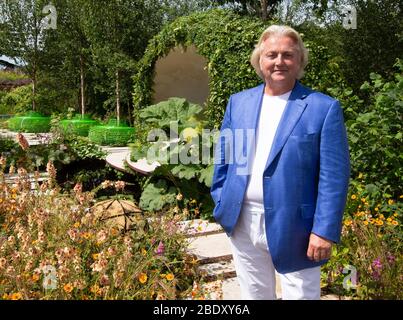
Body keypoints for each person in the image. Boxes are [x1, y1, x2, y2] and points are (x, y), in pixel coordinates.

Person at [210, 25, 350, 300]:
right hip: (242, 221)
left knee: (301, 296)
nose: (279, 62)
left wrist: (324, 230)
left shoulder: (323, 107)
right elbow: (226, 158)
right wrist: (221, 200)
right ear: (259, 60)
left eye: (288, 55)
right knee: (254, 295)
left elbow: (334, 175)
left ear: (300, 61)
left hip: (297, 227)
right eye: (271, 54)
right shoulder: (238, 103)